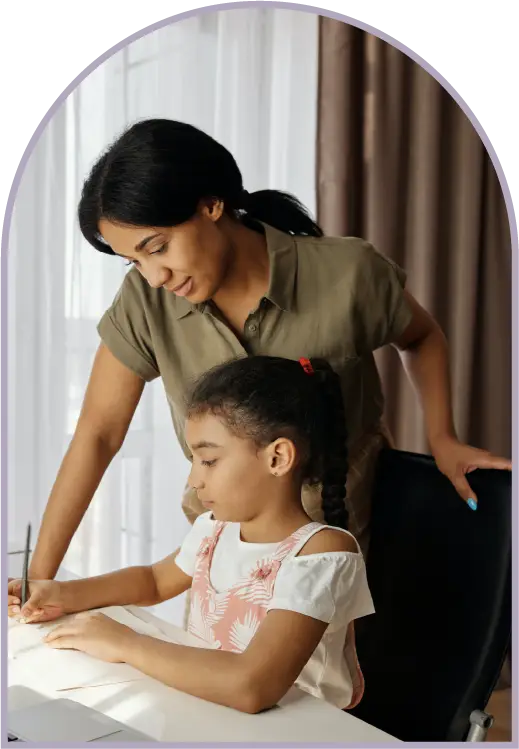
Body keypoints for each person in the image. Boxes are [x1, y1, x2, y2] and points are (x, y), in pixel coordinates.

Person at [27, 118, 511, 580]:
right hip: (217, 552)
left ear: (211, 205)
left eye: (157, 247)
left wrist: (442, 437)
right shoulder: (146, 301)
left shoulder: (349, 274)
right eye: (133, 261)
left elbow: (421, 336)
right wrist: (36, 581)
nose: (154, 276)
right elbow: (98, 434)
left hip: (338, 546)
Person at [9, 356, 374, 713]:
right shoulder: (214, 530)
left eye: (209, 461)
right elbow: (153, 582)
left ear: (277, 457)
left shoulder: (322, 554)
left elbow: (252, 686)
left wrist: (124, 643)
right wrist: (62, 593)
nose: (194, 480)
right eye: (193, 461)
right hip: (212, 716)